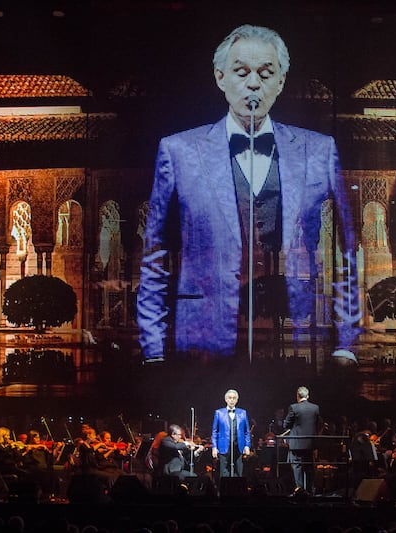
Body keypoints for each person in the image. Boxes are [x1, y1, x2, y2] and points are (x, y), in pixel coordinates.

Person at [137, 24, 361, 365]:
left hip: (293, 339)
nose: (253, 83)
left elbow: (346, 250)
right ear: (220, 77)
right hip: (203, 341)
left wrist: (345, 344)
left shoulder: (318, 150)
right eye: (241, 72)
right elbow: (155, 252)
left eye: (266, 73)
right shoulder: (178, 150)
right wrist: (153, 349)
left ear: (281, 81)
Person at [283, 386, 321, 494]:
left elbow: (286, 425)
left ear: (297, 396)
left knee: (297, 467)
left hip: (297, 444)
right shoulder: (315, 408)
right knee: (309, 467)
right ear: (308, 396)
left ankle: (298, 491)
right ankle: (310, 491)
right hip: (310, 443)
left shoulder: (294, 407)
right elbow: (318, 423)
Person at [212, 389, 251, 478]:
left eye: (234, 398)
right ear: (226, 399)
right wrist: (214, 447)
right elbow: (215, 431)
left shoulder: (243, 413)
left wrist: (247, 446)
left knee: (239, 472)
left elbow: (246, 431)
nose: (232, 400)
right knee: (224, 473)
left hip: (238, 446)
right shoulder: (219, 413)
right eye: (230, 398)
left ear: (237, 400)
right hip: (223, 446)